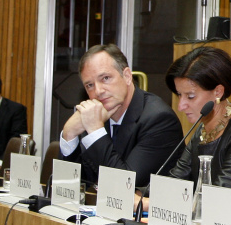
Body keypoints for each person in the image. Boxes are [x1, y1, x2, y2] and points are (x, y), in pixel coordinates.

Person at [137, 46, 231, 212]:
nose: (180, 106)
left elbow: (219, 197)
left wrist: (148, 204)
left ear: (218, 92)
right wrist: (137, 194)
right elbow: (177, 181)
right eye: (179, 95)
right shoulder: (202, 131)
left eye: (190, 96)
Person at [59, 44, 184, 187]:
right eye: (89, 85)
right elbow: (73, 184)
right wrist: (69, 133)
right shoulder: (97, 116)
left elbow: (124, 185)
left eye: (105, 78)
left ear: (127, 76)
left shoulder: (159, 119)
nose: (98, 91)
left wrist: (95, 131)